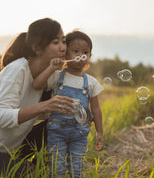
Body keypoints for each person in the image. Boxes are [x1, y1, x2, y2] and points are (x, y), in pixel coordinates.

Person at [0, 18, 75, 178]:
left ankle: (39, 171)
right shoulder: (17, 70)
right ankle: (28, 171)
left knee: (63, 125)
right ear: (37, 48)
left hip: (8, 152)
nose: (63, 47)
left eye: (64, 41)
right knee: (27, 172)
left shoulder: (49, 76)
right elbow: (0, 118)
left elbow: (40, 111)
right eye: (55, 42)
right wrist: (45, 106)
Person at [32, 30, 104, 178]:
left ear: (89, 56)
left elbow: (96, 109)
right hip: (57, 132)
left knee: (76, 169)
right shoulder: (57, 76)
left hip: (80, 134)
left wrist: (100, 132)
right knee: (56, 168)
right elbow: (36, 85)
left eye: (85, 52)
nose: (80, 55)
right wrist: (51, 67)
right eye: (75, 51)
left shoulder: (91, 82)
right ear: (65, 55)